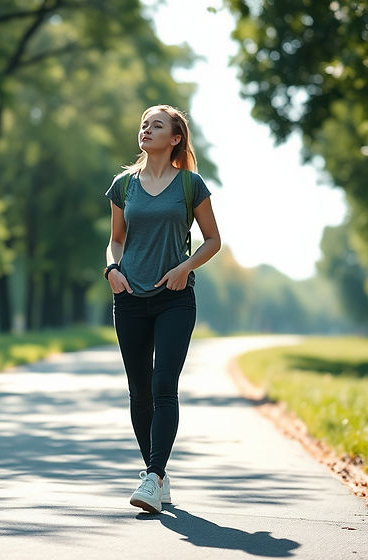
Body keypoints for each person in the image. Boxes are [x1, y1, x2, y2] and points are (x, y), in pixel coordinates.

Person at [103, 104, 221, 514]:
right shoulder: (124, 185)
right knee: (139, 393)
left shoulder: (190, 184)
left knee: (162, 386)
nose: (146, 129)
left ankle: (151, 479)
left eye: (156, 125)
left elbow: (212, 240)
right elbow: (116, 239)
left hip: (174, 298)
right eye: (143, 124)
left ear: (175, 138)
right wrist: (112, 269)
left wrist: (184, 268)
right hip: (129, 298)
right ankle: (158, 473)